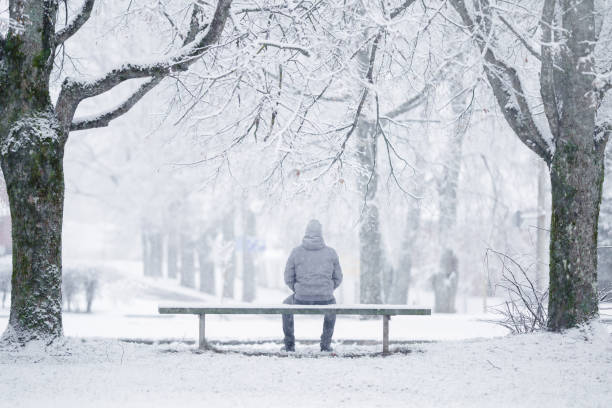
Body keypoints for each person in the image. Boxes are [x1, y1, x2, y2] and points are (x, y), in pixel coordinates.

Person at [282, 219, 343, 352]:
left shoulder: (296, 252)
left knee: (286, 305)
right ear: (321, 233)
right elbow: (338, 277)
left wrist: (299, 289)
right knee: (332, 306)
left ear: (306, 232)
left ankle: (289, 345)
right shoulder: (330, 252)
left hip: (301, 298)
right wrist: (327, 289)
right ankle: (325, 344)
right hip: (326, 298)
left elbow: (288, 277)